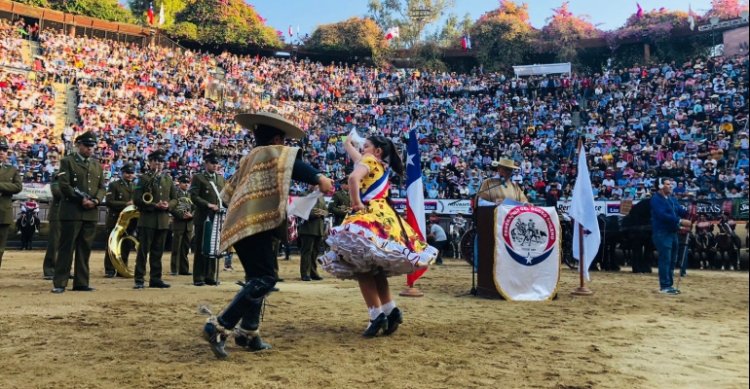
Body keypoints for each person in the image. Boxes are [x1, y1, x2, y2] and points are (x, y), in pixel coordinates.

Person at [202, 112, 333, 359]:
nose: (285, 147)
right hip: (253, 224)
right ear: (276, 139)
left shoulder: (249, 158)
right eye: (283, 142)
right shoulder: (269, 152)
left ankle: (248, 333)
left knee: (258, 277)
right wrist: (319, 177)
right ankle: (220, 325)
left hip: (244, 223)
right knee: (265, 278)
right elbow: (295, 165)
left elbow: (227, 193)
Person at [318, 135, 437, 338]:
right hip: (385, 215)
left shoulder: (368, 160)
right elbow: (357, 159)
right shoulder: (379, 164)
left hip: (367, 214)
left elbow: (353, 178)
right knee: (376, 270)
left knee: (361, 268)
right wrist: (348, 144)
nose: (362, 149)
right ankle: (390, 310)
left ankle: (376, 315)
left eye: (366, 146)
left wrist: (355, 202)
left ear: (377, 150)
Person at [52, 131, 105, 293]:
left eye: (92, 146)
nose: (90, 149)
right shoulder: (68, 162)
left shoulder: (97, 165)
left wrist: (96, 200)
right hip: (72, 211)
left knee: (85, 248)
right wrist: (80, 199)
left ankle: (81, 282)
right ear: (79, 145)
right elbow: (64, 185)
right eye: (87, 146)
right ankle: (60, 282)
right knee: (66, 248)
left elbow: (102, 187)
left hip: (90, 213)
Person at [132, 150, 177, 289]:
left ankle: (155, 278)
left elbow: (175, 198)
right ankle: (139, 279)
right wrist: (153, 205)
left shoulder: (168, 179)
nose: (158, 164)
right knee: (143, 251)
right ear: (150, 162)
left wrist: (168, 205)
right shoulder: (144, 178)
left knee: (158, 251)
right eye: (155, 161)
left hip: (163, 220)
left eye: (161, 161)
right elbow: (137, 199)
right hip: (148, 219)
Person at [650, 178, 691, 295]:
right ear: (660, 186)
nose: (670, 186)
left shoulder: (672, 199)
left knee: (672, 260)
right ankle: (665, 285)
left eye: (670, 184)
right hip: (662, 233)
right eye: (668, 184)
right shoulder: (656, 200)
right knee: (666, 259)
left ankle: (669, 284)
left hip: (672, 232)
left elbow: (679, 210)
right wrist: (680, 221)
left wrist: (689, 210)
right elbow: (663, 215)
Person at [190, 152, 225, 286]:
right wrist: (208, 204)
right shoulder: (199, 178)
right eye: (212, 163)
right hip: (204, 217)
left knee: (213, 247)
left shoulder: (220, 179)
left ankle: (210, 275)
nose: (215, 166)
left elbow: (223, 196)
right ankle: (198, 276)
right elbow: (194, 196)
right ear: (206, 164)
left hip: (217, 217)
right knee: (200, 246)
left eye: (216, 163)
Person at [104, 163, 137, 277]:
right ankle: (110, 269)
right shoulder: (114, 185)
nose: (129, 175)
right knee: (112, 245)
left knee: (126, 245)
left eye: (131, 173)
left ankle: (122, 269)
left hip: (129, 221)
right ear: (122, 173)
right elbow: (109, 201)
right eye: (127, 173)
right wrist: (125, 204)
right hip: (115, 219)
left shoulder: (135, 187)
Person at [0, 137, 23, 270]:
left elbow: (18, 187)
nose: (1, 152)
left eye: (3, 150)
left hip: (3, 212)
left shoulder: (12, 170)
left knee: (0, 247)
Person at [297, 191, 327, 281]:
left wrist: (323, 212)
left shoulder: (321, 196)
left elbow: (326, 211)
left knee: (315, 252)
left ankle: (313, 273)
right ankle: (305, 273)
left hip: (319, 228)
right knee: (307, 252)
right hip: (307, 228)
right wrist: (314, 214)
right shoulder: (304, 195)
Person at [170, 175, 194, 276]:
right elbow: (172, 207)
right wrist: (181, 215)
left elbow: (195, 207)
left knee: (185, 248)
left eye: (188, 182)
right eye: (184, 182)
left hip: (188, 224)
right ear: (179, 183)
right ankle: (174, 269)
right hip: (179, 223)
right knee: (176, 247)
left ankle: (184, 269)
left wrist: (191, 215)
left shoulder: (190, 194)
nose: (186, 184)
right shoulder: (175, 193)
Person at [42, 151, 61, 279]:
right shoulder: (57, 176)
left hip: (69, 214)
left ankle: (62, 268)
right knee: (54, 243)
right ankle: (49, 268)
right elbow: (57, 193)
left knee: (66, 244)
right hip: (57, 214)